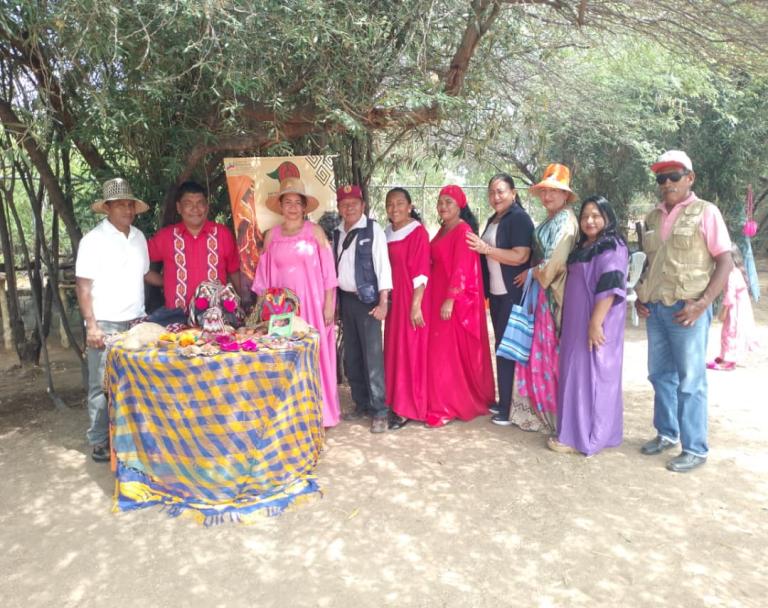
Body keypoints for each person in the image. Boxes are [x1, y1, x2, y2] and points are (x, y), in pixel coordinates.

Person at [636, 150, 733, 473]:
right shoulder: (653, 217)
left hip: (687, 310)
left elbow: (725, 261)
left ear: (690, 178)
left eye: (674, 176)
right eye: (661, 178)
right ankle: (667, 433)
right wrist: (642, 295)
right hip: (656, 309)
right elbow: (649, 263)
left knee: (691, 381)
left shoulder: (706, 212)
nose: (667, 183)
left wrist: (703, 303)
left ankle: (695, 448)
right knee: (660, 376)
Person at [253, 177, 340, 427]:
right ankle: (289, 412)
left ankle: (320, 412)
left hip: (312, 304)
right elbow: (263, 276)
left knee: (315, 353)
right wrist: (262, 309)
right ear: (281, 206)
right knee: (285, 353)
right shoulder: (272, 236)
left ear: (304, 207)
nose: (292, 207)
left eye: (297, 202)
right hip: (281, 309)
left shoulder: (315, 232)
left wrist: (329, 304)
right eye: (287, 202)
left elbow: (329, 272)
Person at [75, 178, 151, 462]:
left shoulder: (139, 237)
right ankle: (98, 440)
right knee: (100, 385)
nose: (128, 210)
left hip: (136, 321)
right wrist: (91, 326)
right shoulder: (93, 240)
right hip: (105, 323)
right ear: (107, 207)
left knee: (135, 382)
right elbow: (83, 287)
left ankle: (132, 437)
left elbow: (146, 274)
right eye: (121, 205)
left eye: (130, 205)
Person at [548, 196, 628, 456]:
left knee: (591, 376)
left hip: (595, 321)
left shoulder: (612, 246)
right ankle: (573, 430)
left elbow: (610, 285)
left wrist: (595, 323)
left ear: (607, 217)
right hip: (575, 322)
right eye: (585, 216)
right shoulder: (585, 246)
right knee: (574, 373)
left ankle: (584, 437)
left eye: (595, 215)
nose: (589, 221)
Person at [509, 163, 579, 433]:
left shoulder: (565, 222)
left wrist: (535, 272)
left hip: (551, 293)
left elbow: (553, 264)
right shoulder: (553, 219)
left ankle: (553, 416)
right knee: (538, 350)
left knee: (548, 352)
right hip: (540, 292)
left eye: (554, 191)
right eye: (545, 191)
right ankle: (538, 411)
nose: (547, 196)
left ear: (565, 195)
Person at [466, 173, 534, 426]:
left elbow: (520, 256)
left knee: (511, 350)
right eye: (492, 192)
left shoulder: (519, 218)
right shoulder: (495, 218)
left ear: (513, 193)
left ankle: (510, 408)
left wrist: (486, 249)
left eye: (501, 191)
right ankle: (504, 401)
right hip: (496, 295)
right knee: (503, 349)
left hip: (513, 294)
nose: (496, 197)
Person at [425, 185, 495, 428]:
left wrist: (450, 299)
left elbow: (462, 268)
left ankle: (449, 405)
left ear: (460, 206)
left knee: (446, 354)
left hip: (452, 301)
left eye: (449, 202)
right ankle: (442, 400)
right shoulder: (444, 228)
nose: (443, 206)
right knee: (442, 352)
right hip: (437, 297)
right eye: (440, 202)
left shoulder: (462, 230)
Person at [333, 184, 393, 434]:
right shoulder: (337, 232)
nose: (349, 208)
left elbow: (383, 266)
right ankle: (361, 403)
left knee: (372, 357)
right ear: (339, 207)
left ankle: (379, 410)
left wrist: (383, 302)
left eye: (354, 204)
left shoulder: (373, 229)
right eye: (344, 204)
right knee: (353, 355)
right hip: (346, 301)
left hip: (368, 301)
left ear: (363, 205)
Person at [146, 181, 240, 325]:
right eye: (188, 203)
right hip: (175, 319)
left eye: (200, 203)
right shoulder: (165, 237)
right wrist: (165, 281)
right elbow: (139, 265)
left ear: (207, 206)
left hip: (214, 319)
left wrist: (242, 302)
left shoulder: (222, 234)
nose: (195, 209)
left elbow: (234, 272)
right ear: (179, 208)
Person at [383, 187, 430, 429]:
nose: (395, 208)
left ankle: (407, 408)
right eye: (390, 204)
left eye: (400, 203)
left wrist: (416, 305)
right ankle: (393, 401)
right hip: (393, 299)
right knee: (394, 350)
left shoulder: (417, 232)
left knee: (410, 350)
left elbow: (422, 271)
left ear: (410, 206)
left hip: (410, 298)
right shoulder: (387, 232)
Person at [707, 245, 759, 371]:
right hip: (740, 306)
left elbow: (730, 296)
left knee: (730, 331)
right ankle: (724, 356)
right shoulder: (736, 271)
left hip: (735, 308)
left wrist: (723, 312)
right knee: (733, 331)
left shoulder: (731, 274)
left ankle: (729, 360)